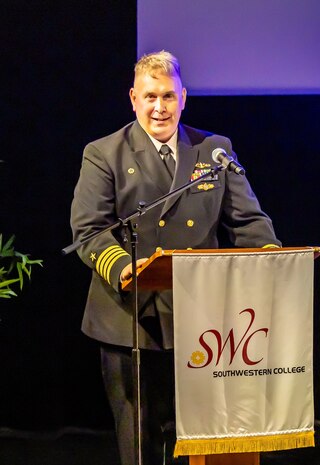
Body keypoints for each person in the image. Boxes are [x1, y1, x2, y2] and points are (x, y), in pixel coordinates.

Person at [70, 50, 281, 465]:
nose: (159, 107)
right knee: (141, 438)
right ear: (133, 99)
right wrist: (125, 268)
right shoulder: (104, 153)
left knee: (201, 436)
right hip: (130, 318)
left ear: (184, 97)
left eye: (168, 96)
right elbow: (90, 230)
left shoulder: (215, 151)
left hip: (204, 319)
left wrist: (271, 259)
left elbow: (248, 222)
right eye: (150, 97)